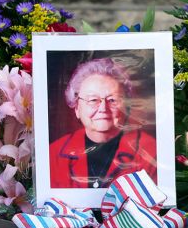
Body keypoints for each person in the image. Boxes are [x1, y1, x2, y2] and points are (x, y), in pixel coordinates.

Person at [49, 58, 157, 189]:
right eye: (93, 100)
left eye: (112, 100)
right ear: (77, 107)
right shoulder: (54, 154)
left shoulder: (150, 151)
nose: (103, 109)